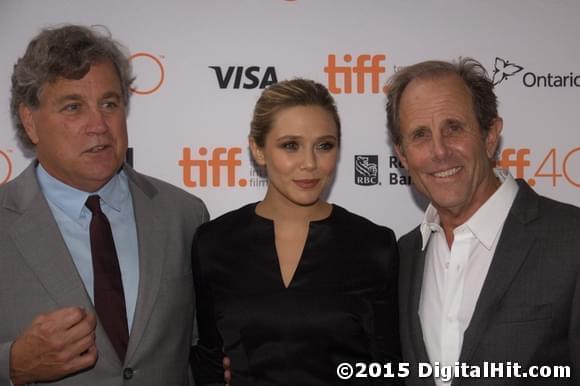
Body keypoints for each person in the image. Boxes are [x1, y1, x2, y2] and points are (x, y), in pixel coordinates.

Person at [0, 25, 208, 385]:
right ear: (30, 122)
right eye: (73, 107)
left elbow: (202, 350)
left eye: (109, 104)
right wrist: (12, 364)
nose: (99, 125)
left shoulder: (184, 215)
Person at [190, 78, 401, 385]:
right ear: (258, 150)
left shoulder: (373, 245)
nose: (310, 163)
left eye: (324, 146)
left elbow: (389, 369)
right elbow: (208, 360)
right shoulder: (214, 243)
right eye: (291, 146)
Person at [387, 58, 580, 385]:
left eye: (454, 128)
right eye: (420, 135)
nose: (439, 151)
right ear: (403, 155)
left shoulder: (571, 240)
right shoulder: (401, 257)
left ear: (490, 135)